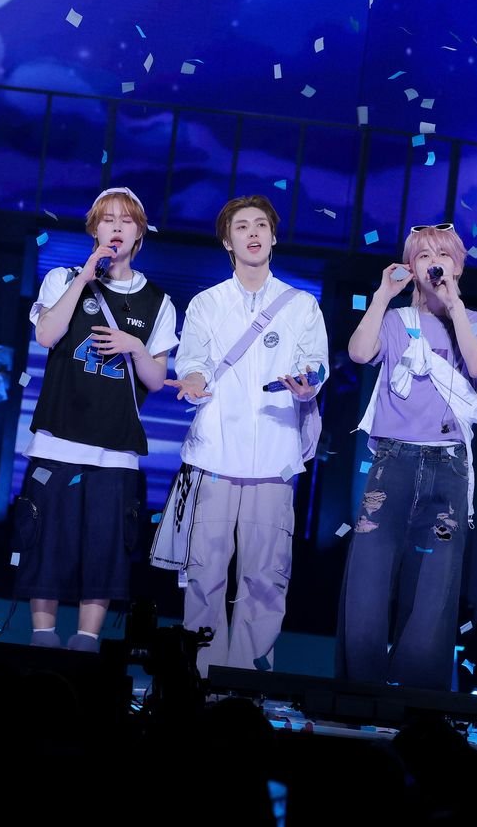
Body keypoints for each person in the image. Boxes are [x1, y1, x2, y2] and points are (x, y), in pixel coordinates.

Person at [155, 195, 328, 676]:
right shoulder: (207, 303)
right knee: (204, 573)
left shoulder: (302, 305)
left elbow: (316, 364)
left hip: (275, 455)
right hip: (214, 454)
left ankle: (246, 681)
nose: (253, 233)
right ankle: (201, 677)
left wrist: (308, 383)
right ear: (227, 242)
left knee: (266, 577)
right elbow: (192, 360)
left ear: (273, 236)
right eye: (242, 227)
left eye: (261, 225)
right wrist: (192, 379)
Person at [13, 187, 178, 651]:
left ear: (140, 233)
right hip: (57, 443)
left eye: (127, 220)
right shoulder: (62, 278)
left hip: (115, 451)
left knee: (104, 551)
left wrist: (136, 347)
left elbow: (156, 378)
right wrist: (84, 277)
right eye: (108, 219)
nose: (117, 227)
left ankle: (87, 641)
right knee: (45, 542)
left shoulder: (158, 301)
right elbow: (46, 335)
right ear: (94, 228)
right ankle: (42, 637)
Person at [336, 223, 477, 688]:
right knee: (369, 570)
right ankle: (360, 687)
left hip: (448, 463)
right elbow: (359, 352)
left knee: (436, 582)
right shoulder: (394, 320)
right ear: (410, 266)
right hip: (394, 459)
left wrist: (454, 304)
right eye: (423, 255)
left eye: (443, 255)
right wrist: (382, 296)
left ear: (458, 265)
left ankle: (415, 693)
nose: (434, 262)